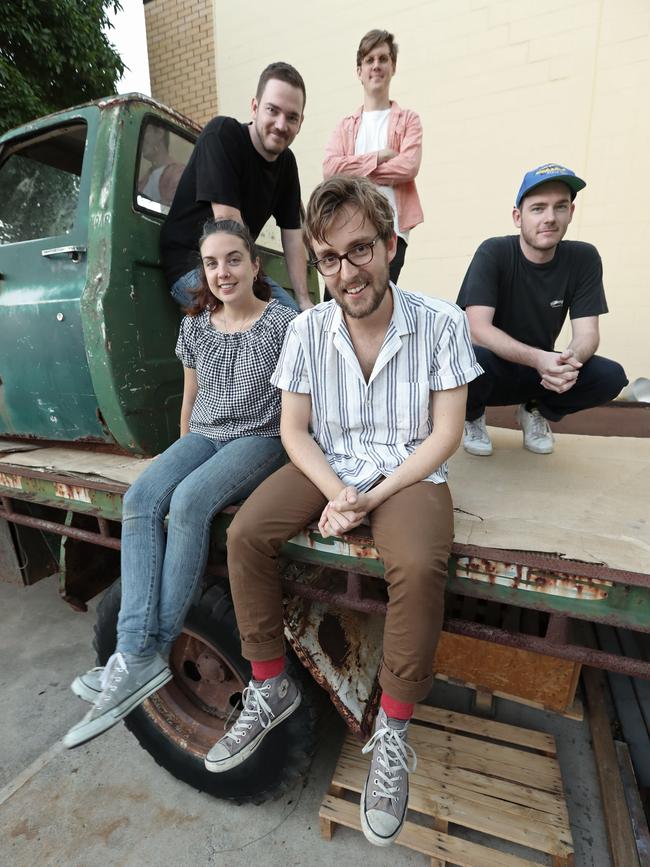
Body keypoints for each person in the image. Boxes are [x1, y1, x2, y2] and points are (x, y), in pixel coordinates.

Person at [204, 176, 482, 847]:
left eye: (361, 250)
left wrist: (370, 499)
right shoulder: (307, 329)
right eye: (330, 258)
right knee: (246, 532)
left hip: (407, 469)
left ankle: (392, 728)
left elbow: (446, 432)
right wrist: (335, 492)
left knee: (416, 563)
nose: (348, 272)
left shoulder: (440, 321)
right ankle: (270, 684)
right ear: (318, 263)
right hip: (329, 462)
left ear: (390, 245)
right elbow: (294, 430)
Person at [64, 220, 296, 748]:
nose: (222, 272)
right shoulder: (195, 324)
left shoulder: (283, 323)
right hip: (207, 434)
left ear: (255, 265)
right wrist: (179, 451)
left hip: (261, 438)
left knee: (191, 502)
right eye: (212, 263)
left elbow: (296, 405)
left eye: (233, 259)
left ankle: (157, 647)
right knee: (143, 496)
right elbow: (190, 401)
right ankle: (132, 654)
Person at [458, 163, 628, 456]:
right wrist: (539, 358)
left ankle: (534, 409)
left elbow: (587, 333)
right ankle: (472, 417)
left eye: (560, 207)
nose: (550, 218)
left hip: (542, 372)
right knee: (466, 357)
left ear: (571, 213)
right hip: (492, 367)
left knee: (611, 375)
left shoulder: (584, 258)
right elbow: (477, 328)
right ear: (517, 216)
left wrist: (568, 361)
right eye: (538, 208)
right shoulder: (494, 252)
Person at [161, 62, 313, 313]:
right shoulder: (222, 135)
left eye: (291, 117)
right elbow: (228, 222)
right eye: (272, 110)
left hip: (239, 269)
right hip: (193, 266)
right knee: (259, 328)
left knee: (295, 323)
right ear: (255, 107)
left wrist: (304, 300)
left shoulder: (287, 163)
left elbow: (293, 237)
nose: (281, 124)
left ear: (301, 122)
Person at [323, 29, 423, 286]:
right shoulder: (346, 126)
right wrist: (379, 157)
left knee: (381, 300)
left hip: (392, 230)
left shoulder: (408, 120)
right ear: (359, 71)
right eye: (369, 60)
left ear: (393, 66)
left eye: (383, 59)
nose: (376, 65)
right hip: (347, 226)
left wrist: (354, 171)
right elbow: (330, 170)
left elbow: (409, 166)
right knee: (339, 301)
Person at [137, 121, 184, 207]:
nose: (141, 139)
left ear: (160, 133)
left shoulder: (179, 173)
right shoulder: (144, 180)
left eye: (145, 132)